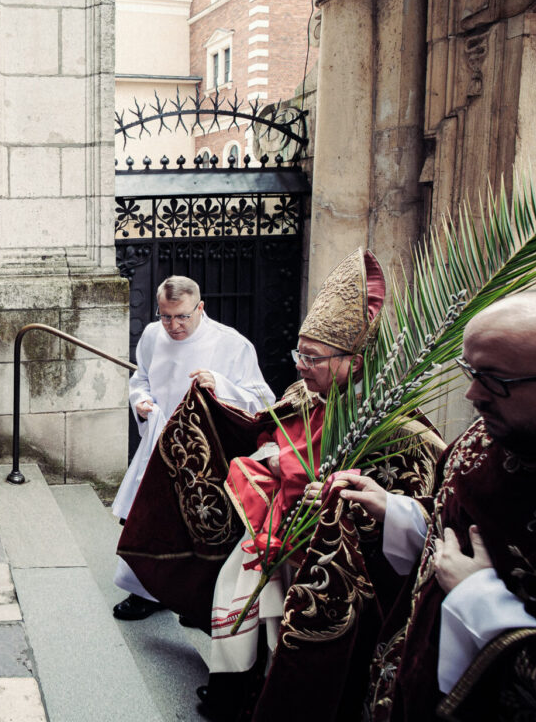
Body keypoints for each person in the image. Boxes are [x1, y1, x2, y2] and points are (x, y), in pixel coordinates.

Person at [118, 249, 443, 721]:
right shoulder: (304, 393)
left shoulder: (395, 429)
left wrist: (326, 493)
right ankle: (235, 691)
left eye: (312, 358)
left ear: (354, 362)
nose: (300, 366)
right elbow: (267, 429)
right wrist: (269, 456)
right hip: (270, 526)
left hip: (326, 556)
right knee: (236, 601)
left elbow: (411, 515)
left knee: (291, 633)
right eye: (299, 354)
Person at [340, 289, 536, 720]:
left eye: (498, 380)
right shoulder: (490, 433)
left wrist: (480, 601)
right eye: (471, 370)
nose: (472, 395)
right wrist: (399, 512)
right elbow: (455, 524)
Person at [112, 275, 275, 620]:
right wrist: (141, 401)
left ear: (200, 308)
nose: (174, 326)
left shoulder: (232, 345)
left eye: (183, 316)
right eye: (166, 316)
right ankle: (145, 593)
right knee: (150, 521)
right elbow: (141, 379)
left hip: (207, 456)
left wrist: (223, 385)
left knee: (199, 527)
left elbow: (263, 400)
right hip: (161, 446)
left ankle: (195, 601)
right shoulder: (153, 336)